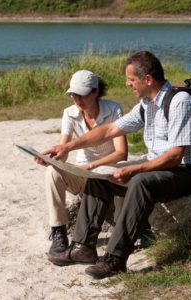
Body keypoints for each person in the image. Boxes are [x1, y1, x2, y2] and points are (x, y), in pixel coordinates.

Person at [43, 51, 191, 278]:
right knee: (101, 174)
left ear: (148, 80)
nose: (127, 84)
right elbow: (111, 130)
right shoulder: (147, 104)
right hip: (161, 164)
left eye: (131, 80)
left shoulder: (180, 102)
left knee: (141, 182)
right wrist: (66, 148)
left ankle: (115, 259)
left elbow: (175, 155)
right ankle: (83, 246)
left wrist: (135, 168)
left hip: (190, 170)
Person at [35, 70, 128, 255]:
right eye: (72, 94)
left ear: (95, 92)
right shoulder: (69, 114)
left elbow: (121, 153)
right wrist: (51, 160)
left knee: (111, 174)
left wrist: (93, 166)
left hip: (108, 172)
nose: (77, 99)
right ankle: (59, 232)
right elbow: (63, 150)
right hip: (84, 174)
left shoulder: (113, 109)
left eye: (81, 94)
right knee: (53, 172)